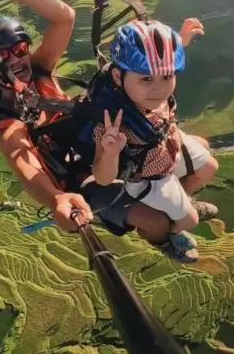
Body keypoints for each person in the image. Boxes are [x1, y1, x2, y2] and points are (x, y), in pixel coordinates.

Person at [0, 0, 216, 262]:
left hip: (95, 146)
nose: (15, 60)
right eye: (2, 55)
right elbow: (23, 163)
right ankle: (165, 238)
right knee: (154, 222)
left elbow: (65, 18)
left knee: (201, 152)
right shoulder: (5, 117)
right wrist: (57, 198)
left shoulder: (39, 70)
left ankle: (177, 205)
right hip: (80, 181)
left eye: (20, 49)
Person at [91, 19, 218, 262]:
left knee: (210, 166)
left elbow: (158, 63)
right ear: (118, 76)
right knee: (189, 220)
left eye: (167, 77)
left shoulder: (145, 94)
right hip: (148, 176)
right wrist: (110, 151)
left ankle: (179, 206)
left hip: (165, 146)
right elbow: (103, 178)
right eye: (146, 79)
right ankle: (170, 234)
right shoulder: (112, 122)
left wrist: (180, 39)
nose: (159, 89)